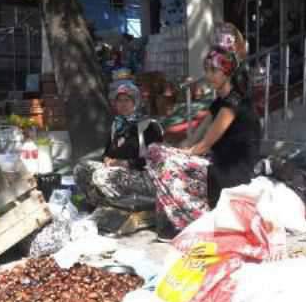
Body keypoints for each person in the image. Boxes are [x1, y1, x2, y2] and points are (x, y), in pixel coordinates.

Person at [147, 45, 261, 232]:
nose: (208, 76)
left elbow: (205, 144)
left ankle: (189, 217)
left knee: (160, 157)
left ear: (227, 72)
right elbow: (196, 136)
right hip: (217, 162)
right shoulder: (219, 102)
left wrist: (182, 154)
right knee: (157, 152)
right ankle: (173, 217)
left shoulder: (233, 103)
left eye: (214, 70)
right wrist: (181, 149)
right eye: (207, 70)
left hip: (231, 171)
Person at [74, 76, 162, 207]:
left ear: (135, 102)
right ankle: (98, 206)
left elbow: (156, 160)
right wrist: (107, 159)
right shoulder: (117, 125)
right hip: (117, 171)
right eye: (119, 101)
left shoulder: (148, 125)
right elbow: (107, 152)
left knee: (101, 176)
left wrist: (126, 163)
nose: (123, 104)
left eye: (127, 100)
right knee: (80, 169)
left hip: (143, 176)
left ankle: (118, 210)